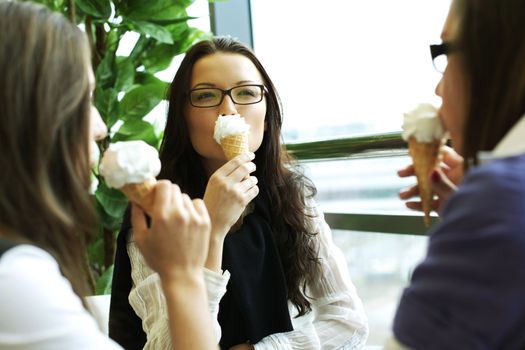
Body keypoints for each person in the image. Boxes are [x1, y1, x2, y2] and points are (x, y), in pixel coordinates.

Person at [109, 36, 368, 350]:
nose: (228, 110)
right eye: (206, 96)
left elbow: (348, 323)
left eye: (246, 92)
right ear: (182, 117)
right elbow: (167, 344)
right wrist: (213, 229)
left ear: (268, 113)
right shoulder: (157, 208)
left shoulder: (291, 195)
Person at [0, 2, 216, 349]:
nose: (101, 128)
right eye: (83, 99)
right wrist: (184, 277)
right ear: (27, 116)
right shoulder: (15, 281)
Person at [391, 0, 525, 348]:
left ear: (495, 55)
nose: (438, 89)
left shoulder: (501, 197)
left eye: (447, 51)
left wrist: (483, 208)